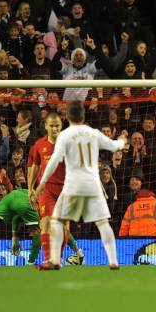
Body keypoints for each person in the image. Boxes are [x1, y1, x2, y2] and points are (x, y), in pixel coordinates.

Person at [36, 101, 127, 270]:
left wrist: (42, 182)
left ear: (68, 117)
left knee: (56, 221)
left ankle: (54, 259)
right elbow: (114, 146)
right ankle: (113, 261)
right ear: (83, 116)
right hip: (93, 184)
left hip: (72, 185)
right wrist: (121, 140)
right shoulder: (93, 133)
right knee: (102, 223)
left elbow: (55, 160)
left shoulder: (64, 135)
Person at [27, 113, 81, 265]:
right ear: (46, 126)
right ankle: (48, 259)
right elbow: (35, 167)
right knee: (45, 223)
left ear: (61, 126)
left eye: (57, 125)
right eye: (51, 125)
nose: (54, 128)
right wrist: (30, 188)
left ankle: (58, 257)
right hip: (47, 189)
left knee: (63, 225)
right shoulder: (39, 145)